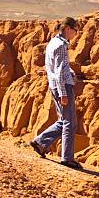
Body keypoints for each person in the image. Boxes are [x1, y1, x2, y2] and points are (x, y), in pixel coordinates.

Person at [30, 17, 82, 169]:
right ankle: (67, 158)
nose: (76, 34)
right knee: (70, 123)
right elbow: (59, 72)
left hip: (56, 85)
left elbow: (58, 67)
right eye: (75, 30)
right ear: (67, 29)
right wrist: (63, 93)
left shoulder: (54, 42)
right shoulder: (60, 46)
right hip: (62, 86)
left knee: (63, 120)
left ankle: (40, 142)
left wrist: (70, 72)